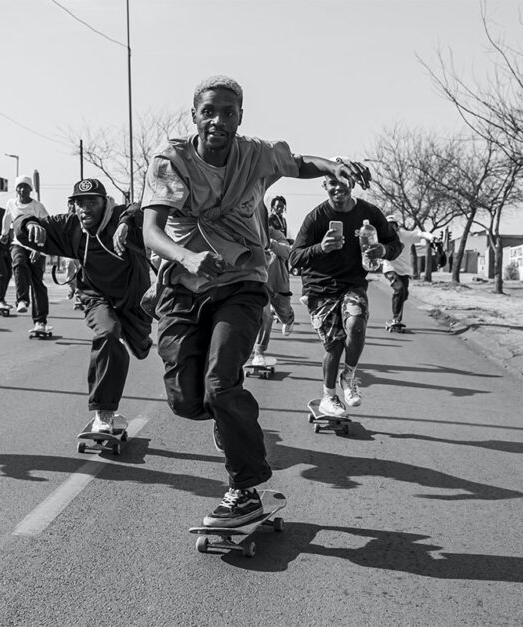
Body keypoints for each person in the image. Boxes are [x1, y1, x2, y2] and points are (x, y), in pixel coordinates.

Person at [140, 75, 373, 528]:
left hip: (242, 282)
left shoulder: (254, 154)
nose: (218, 121)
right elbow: (151, 230)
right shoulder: (171, 160)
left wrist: (332, 167)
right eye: (209, 111)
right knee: (186, 400)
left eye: (229, 112)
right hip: (183, 286)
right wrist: (187, 256)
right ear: (194, 116)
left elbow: (299, 162)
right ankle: (229, 422)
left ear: (240, 117)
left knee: (221, 384)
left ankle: (244, 491)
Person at [13, 178, 152, 433]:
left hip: (132, 301)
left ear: (105, 202)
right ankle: (104, 414)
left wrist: (126, 223)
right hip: (97, 297)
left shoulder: (121, 217)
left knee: (144, 349)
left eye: (92, 202)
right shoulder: (71, 226)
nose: (85, 209)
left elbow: (140, 209)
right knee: (108, 334)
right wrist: (30, 223)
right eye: (80, 203)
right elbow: (19, 225)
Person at [288, 171, 402, 419]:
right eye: (332, 183)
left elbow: (396, 244)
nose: (338, 188)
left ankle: (348, 375)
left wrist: (382, 248)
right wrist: (321, 248)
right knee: (335, 343)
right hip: (320, 288)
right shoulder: (316, 218)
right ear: (324, 185)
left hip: (353, 284)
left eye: (342, 182)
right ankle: (329, 397)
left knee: (357, 322)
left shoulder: (369, 214)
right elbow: (294, 258)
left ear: (352, 183)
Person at [250, 189, 296, 368]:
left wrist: (270, 243)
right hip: (257, 281)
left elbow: (287, 251)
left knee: (283, 312)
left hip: (277, 281)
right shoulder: (248, 233)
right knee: (265, 315)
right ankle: (258, 351)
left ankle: (289, 318)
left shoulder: (274, 233)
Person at [3, 176, 51, 333]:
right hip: (18, 243)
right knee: (18, 262)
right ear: (16, 189)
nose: (22, 190)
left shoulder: (38, 206)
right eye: (19, 187)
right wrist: (4, 233)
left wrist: (40, 249)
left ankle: (40, 322)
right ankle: (22, 299)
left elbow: (46, 227)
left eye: (25, 187)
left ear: (31, 189)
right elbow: (6, 218)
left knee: (37, 282)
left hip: (36, 246)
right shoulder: (11, 204)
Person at [382, 214, 435, 327]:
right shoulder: (383, 236)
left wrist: (432, 238)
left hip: (404, 270)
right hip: (390, 268)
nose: (391, 228)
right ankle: (396, 319)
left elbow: (421, 234)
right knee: (399, 289)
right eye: (388, 226)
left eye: (393, 225)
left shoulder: (405, 235)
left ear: (397, 226)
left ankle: (397, 310)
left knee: (404, 294)